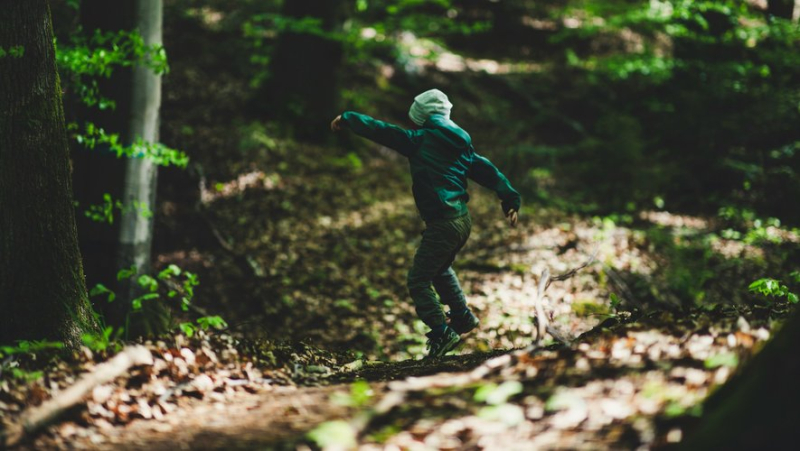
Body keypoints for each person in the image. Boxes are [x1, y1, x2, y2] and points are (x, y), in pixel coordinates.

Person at [330, 88, 521, 358]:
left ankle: (442, 332)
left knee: (418, 280)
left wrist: (348, 118)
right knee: (440, 269)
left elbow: (382, 130)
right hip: (461, 220)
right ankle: (462, 316)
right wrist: (510, 198)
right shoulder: (462, 146)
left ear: (421, 117)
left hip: (444, 222)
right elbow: (488, 170)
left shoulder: (418, 140)